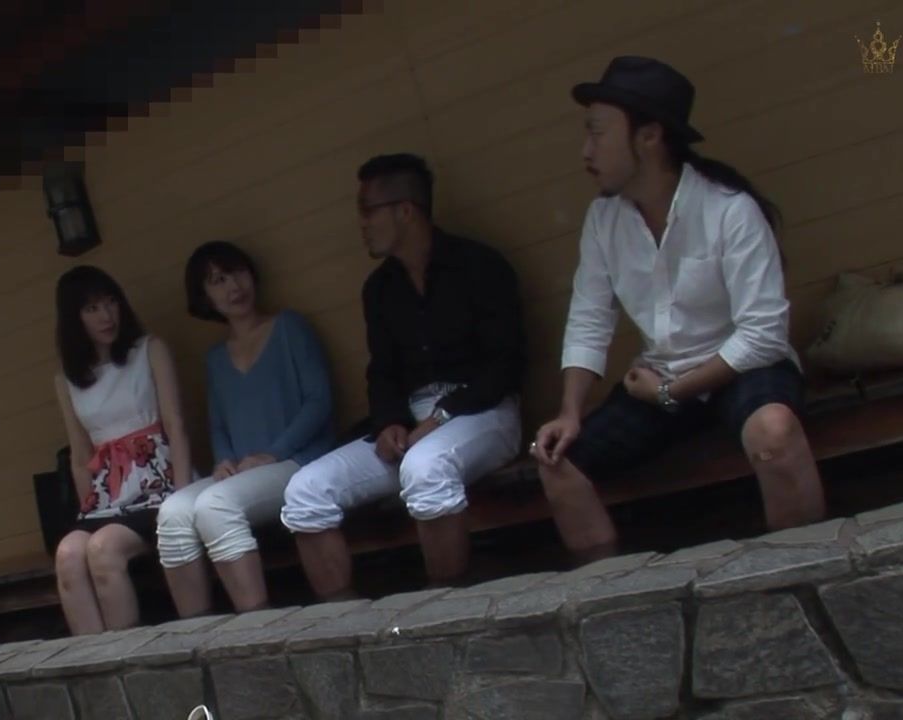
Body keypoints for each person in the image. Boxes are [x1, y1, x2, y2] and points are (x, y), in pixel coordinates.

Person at [531, 56, 827, 564]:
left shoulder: (729, 209)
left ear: (649, 136)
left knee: (773, 433)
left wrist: (670, 391)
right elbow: (589, 318)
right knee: (556, 461)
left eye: (598, 133)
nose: (587, 151)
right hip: (661, 379)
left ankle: (810, 567)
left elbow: (763, 335)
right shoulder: (604, 219)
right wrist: (570, 412)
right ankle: (615, 591)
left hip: (740, 369)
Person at [280, 153, 525, 600]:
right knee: (304, 491)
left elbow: (506, 364)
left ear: (405, 210)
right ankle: (341, 621)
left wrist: (442, 416)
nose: (361, 224)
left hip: (483, 410)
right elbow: (383, 371)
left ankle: (446, 606)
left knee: (425, 467)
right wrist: (389, 421)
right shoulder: (379, 289)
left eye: (367, 210)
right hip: (411, 423)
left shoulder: (479, 265)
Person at [156, 241, 336, 616]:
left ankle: (258, 623)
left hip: (298, 460)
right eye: (218, 281)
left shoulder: (289, 327)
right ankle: (196, 632)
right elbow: (218, 424)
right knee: (172, 513)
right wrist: (223, 460)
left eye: (237, 273)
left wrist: (274, 453)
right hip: (244, 472)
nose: (233, 287)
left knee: (214, 505)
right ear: (205, 296)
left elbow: (318, 400)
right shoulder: (215, 359)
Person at [51, 265, 193, 635]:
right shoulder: (67, 380)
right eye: (92, 308)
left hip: (157, 485)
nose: (106, 315)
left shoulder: (149, 350)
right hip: (106, 496)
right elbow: (80, 455)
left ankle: (129, 656)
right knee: (68, 555)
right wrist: (89, 510)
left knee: (103, 550)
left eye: (111, 302)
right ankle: (95, 659)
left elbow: (176, 424)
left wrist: (182, 499)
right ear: (74, 319)